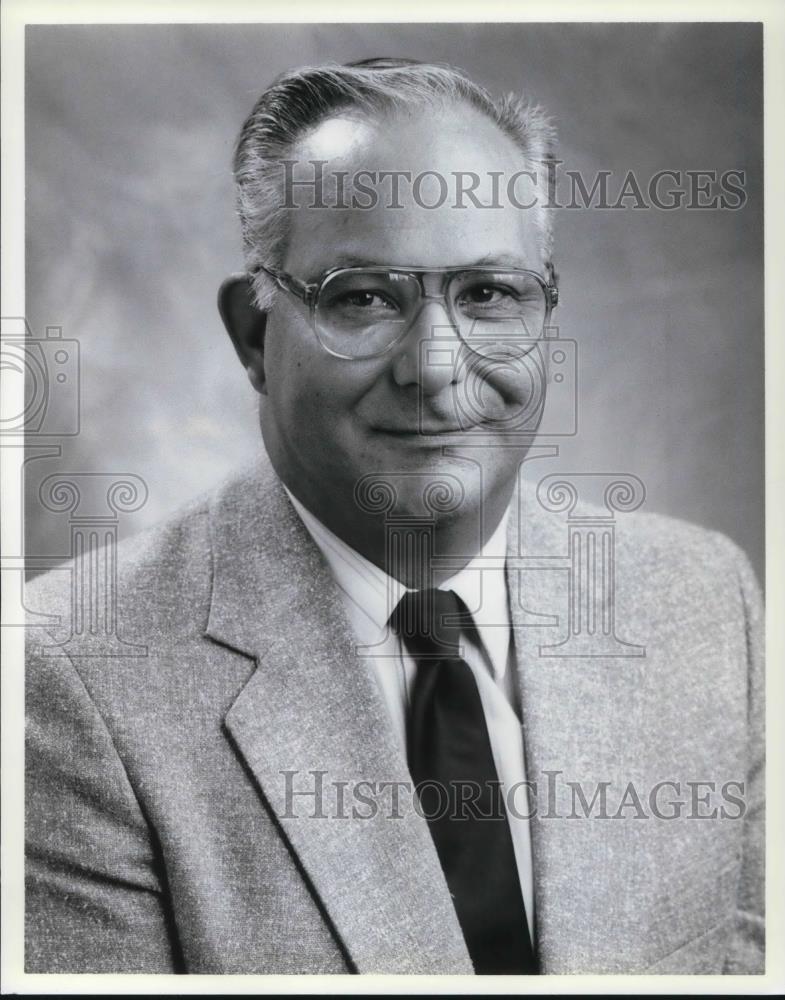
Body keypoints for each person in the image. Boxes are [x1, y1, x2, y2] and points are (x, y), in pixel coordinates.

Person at [25, 58, 764, 975]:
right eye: (365, 298)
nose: (436, 367)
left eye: (489, 295)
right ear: (254, 336)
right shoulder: (71, 676)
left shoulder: (703, 600)